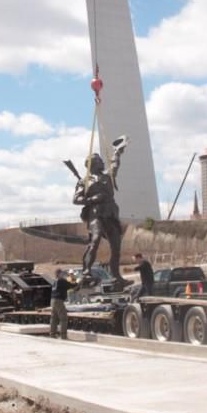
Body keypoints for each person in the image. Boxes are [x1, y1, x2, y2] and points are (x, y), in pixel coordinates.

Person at [73, 139, 127, 282]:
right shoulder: (83, 182)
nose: (103, 163)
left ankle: (116, 275)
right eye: (99, 161)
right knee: (95, 239)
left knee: (116, 246)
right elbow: (76, 199)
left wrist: (117, 152)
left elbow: (115, 165)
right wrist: (93, 199)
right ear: (92, 164)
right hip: (95, 213)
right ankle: (86, 271)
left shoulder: (108, 176)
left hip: (110, 213)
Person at [49, 269, 78, 339]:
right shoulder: (62, 281)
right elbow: (72, 285)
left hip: (53, 300)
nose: (64, 274)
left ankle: (52, 334)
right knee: (63, 318)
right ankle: (63, 335)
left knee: (54, 318)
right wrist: (78, 281)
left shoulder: (54, 281)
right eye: (62, 273)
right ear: (59, 274)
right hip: (59, 300)